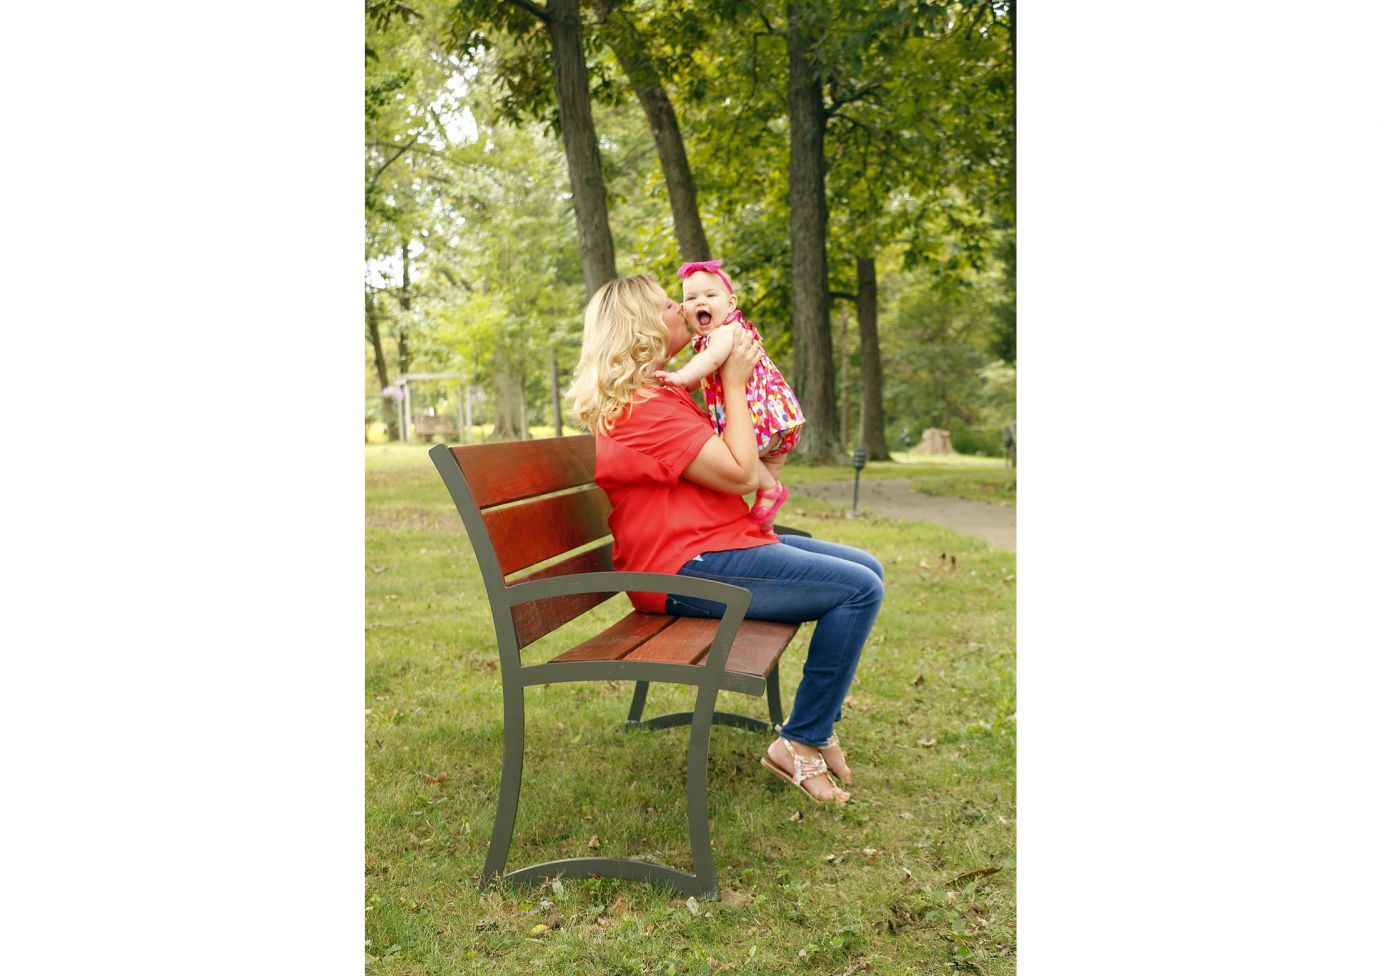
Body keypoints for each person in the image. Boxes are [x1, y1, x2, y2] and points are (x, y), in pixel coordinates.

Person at [566, 274, 885, 805]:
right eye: (672, 306)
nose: (685, 311)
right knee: (857, 588)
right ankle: (802, 740)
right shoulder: (644, 407)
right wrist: (734, 381)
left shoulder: (659, 394)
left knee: (866, 568)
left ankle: (815, 726)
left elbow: (740, 467)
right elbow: (739, 475)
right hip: (681, 565)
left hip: (714, 543)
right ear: (644, 327)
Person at [651, 260, 804, 526]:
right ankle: (766, 514)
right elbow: (712, 374)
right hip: (783, 419)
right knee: (769, 475)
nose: (702, 302)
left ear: (731, 303)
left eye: (711, 295)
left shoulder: (725, 333)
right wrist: (692, 383)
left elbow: (710, 362)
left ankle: (770, 489)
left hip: (761, 421)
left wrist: (680, 377)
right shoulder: (721, 336)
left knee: (731, 447)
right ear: (684, 309)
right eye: (691, 298)